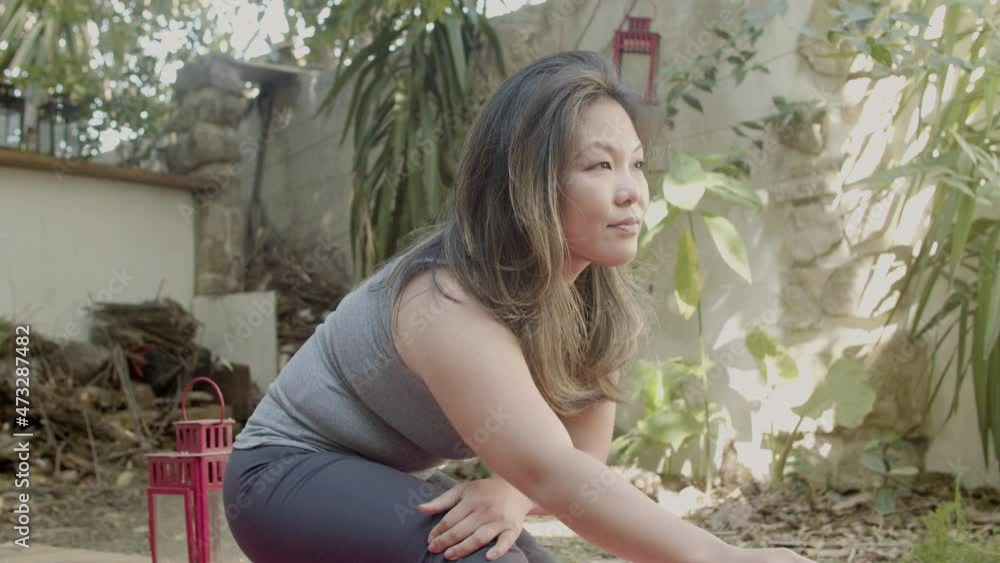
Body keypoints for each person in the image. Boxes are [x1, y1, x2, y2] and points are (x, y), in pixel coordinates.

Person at [222, 50, 815, 563]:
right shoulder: (445, 299)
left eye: (636, 163)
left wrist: (511, 491)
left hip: (380, 479)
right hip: (280, 478)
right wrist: (724, 556)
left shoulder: (593, 300)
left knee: (521, 554)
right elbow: (553, 473)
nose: (632, 190)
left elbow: (581, 461)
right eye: (599, 165)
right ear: (526, 183)